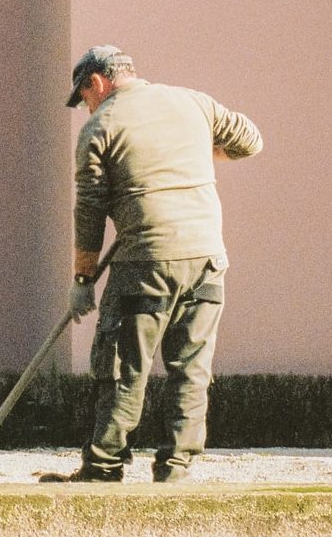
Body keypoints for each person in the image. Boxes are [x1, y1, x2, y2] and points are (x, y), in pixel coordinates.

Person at [43, 46, 262, 483]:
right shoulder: (194, 102)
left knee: (123, 365)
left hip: (146, 262)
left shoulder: (99, 127)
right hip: (207, 259)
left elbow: (89, 211)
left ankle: (103, 466)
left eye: (83, 96)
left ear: (97, 83)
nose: (84, 105)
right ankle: (177, 468)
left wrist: (83, 279)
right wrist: (199, 152)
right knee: (191, 367)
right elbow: (251, 142)